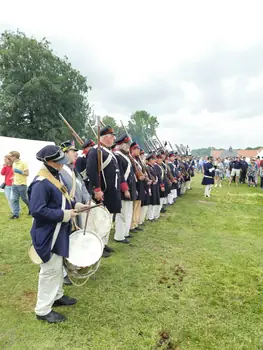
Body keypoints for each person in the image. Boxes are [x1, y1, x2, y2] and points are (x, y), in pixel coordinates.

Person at [28, 145, 82, 324]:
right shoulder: (41, 182)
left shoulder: (55, 176)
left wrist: (75, 205)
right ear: (48, 162)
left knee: (58, 266)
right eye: (58, 162)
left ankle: (57, 296)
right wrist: (64, 215)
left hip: (59, 230)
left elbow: (63, 198)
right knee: (50, 270)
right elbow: (37, 210)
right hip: (48, 232)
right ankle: (43, 310)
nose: (62, 164)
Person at [86, 125, 121, 257]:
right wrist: (97, 189)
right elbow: (91, 171)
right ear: (106, 137)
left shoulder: (107, 151)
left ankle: (103, 244)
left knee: (107, 220)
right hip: (102, 192)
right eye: (112, 137)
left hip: (111, 192)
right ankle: (97, 246)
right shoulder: (95, 151)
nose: (113, 139)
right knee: (100, 221)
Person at [60, 140, 91, 285]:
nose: (76, 154)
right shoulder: (60, 171)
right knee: (64, 240)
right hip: (67, 210)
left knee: (74, 238)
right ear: (64, 153)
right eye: (73, 151)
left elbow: (82, 186)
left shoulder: (73, 170)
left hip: (76, 208)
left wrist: (88, 200)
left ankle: (73, 264)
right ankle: (63, 271)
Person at [114, 133, 137, 243]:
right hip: (123, 189)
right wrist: (125, 189)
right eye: (126, 143)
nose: (128, 146)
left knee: (128, 213)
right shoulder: (118, 156)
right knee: (122, 214)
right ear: (121, 144)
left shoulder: (125, 156)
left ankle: (125, 233)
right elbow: (121, 175)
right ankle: (119, 236)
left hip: (129, 187)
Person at [130, 142, 146, 232]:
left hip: (140, 184)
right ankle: (131, 224)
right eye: (137, 149)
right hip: (135, 184)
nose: (139, 151)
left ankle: (135, 223)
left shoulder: (137, 159)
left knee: (138, 205)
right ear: (132, 149)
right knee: (134, 205)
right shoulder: (131, 159)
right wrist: (138, 176)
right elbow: (131, 173)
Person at [9, 151, 30, 219]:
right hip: (14, 184)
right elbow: (15, 173)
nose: (10, 157)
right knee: (14, 199)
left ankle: (32, 209)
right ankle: (16, 215)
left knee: (25, 199)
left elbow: (27, 174)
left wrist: (19, 171)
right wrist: (13, 177)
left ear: (15, 156)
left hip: (22, 185)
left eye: (11, 156)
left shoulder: (24, 163)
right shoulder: (14, 164)